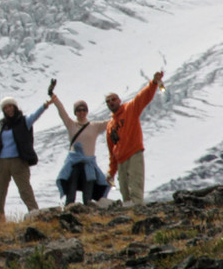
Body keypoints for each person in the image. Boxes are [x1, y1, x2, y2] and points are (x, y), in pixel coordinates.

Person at [0, 96, 50, 223]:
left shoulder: (24, 121)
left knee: (24, 189)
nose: (8, 109)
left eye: (10, 106)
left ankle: (34, 213)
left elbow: (35, 116)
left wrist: (44, 106)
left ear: (15, 107)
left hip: (19, 161)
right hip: (2, 162)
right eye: (5, 107)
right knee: (0, 192)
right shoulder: (3, 125)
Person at [105, 71, 164, 205]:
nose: (111, 102)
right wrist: (111, 172)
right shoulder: (110, 126)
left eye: (113, 99)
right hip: (120, 161)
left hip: (134, 154)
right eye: (108, 101)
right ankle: (129, 220)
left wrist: (154, 83)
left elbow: (142, 98)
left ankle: (138, 216)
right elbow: (111, 151)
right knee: (125, 194)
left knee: (135, 191)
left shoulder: (129, 109)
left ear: (119, 100)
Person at [51, 94, 110, 205]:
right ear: (75, 112)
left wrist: (124, 112)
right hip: (74, 165)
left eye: (84, 109)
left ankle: (87, 217)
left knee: (88, 196)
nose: (81, 112)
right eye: (78, 110)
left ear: (87, 111)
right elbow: (61, 111)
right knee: (71, 194)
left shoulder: (95, 126)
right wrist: (54, 97)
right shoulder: (71, 125)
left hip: (89, 165)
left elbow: (112, 122)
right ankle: (69, 215)